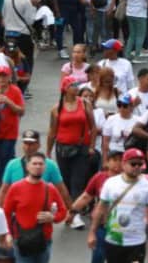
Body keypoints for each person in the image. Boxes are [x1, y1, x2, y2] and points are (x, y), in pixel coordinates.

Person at [89, 149, 148, 263]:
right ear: (124, 164)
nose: (137, 167)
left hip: (136, 242)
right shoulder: (111, 183)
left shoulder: (147, 186)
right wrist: (92, 232)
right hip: (114, 240)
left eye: (140, 164)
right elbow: (100, 209)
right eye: (133, 163)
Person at [47, 75, 97, 228]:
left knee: (77, 181)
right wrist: (48, 151)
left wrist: (91, 146)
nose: (76, 87)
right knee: (66, 181)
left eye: (76, 85)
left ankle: (75, 215)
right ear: (65, 89)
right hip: (63, 148)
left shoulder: (85, 103)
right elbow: (52, 131)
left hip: (81, 148)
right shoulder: (57, 108)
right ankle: (69, 211)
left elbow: (93, 127)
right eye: (72, 85)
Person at [1, 151, 67, 263]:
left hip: (44, 240)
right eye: (34, 163)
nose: (37, 166)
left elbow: (63, 211)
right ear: (27, 167)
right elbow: (6, 213)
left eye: (41, 164)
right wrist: (8, 234)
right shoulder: (16, 188)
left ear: (45, 167)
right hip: (21, 239)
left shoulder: (50, 188)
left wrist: (53, 217)